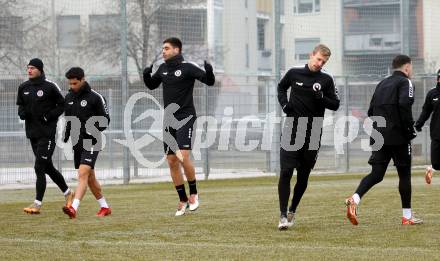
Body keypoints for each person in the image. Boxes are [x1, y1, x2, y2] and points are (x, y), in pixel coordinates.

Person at [345, 55, 422, 226]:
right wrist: (409, 130)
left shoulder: (382, 84)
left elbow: (371, 110)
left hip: (378, 134)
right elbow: (404, 104)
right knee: (404, 174)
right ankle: (407, 216)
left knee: (376, 174)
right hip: (398, 136)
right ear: (407, 67)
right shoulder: (406, 82)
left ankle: (355, 199)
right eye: (412, 68)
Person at [143, 37, 215, 216]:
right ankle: (182, 199)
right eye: (163, 48)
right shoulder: (163, 68)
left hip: (186, 117)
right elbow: (152, 85)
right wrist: (146, 74)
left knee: (182, 156)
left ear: (177, 50)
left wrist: (209, 71)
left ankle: (194, 194)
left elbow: (209, 81)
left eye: (166, 48)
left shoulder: (188, 67)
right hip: (169, 119)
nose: (163, 51)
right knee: (171, 160)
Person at [277, 44, 340, 230]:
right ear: (311, 55)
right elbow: (281, 88)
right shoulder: (294, 73)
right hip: (292, 129)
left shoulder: (327, 80)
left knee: (303, 176)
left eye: (324, 61)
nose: (320, 63)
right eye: (319, 59)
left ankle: (292, 210)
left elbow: (335, 104)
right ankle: (282, 216)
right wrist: (285, 105)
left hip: (313, 133)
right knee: (286, 172)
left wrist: (322, 98)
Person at [16, 58, 73, 214]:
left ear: (40, 70)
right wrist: (22, 113)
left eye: (32, 68)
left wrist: (49, 116)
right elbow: (20, 105)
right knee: (48, 167)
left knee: (39, 166)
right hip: (32, 134)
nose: (29, 70)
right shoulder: (23, 87)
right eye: (28, 68)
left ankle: (37, 204)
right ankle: (68, 193)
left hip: (47, 135)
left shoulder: (50, 86)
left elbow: (62, 105)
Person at [61, 67, 111, 219]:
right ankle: (105, 207)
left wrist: (92, 128)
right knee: (90, 178)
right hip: (77, 142)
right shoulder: (68, 97)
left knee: (82, 173)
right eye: (70, 84)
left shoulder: (96, 97)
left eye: (75, 83)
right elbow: (68, 119)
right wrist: (66, 136)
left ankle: (73, 208)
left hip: (92, 140)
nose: (72, 86)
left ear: (83, 79)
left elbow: (105, 120)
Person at [414, 68, 440, 184]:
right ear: (438, 79)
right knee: (436, 163)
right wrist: (419, 124)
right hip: (437, 132)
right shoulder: (432, 94)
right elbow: (426, 111)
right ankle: (430, 169)